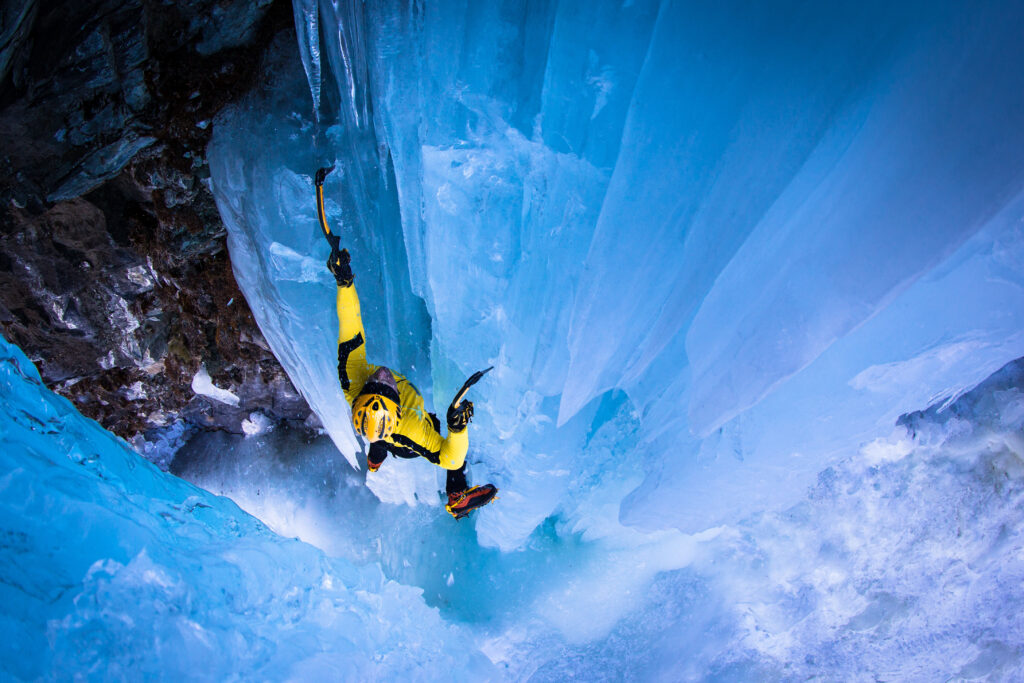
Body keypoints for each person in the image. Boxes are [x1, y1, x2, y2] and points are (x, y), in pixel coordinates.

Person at [315, 167, 497, 519]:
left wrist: (344, 282)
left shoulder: (353, 380)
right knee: (438, 436)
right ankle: (456, 499)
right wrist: (458, 427)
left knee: (377, 444)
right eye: (387, 388)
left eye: (375, 384)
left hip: (381, 429)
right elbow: (450, 457)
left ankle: (374, 460)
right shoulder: (411, 428)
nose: (382, 376)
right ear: (396, 408)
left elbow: (350, 325)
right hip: (405, 440)